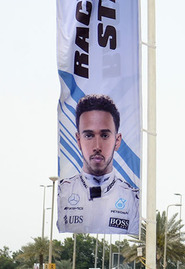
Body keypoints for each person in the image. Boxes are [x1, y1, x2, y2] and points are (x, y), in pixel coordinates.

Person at [57, 94, 139, 234]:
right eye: (89, 135)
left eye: (105, 135)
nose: (97, 146)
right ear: (78, 140)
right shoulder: (61, 194)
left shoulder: (134, 200)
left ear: (117, 140)